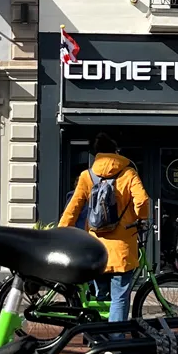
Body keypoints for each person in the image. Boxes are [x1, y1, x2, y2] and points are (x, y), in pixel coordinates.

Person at [58, 134, 150, 321]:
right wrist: (141, 219)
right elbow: (142, 200)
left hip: (95, 248)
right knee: (120, 297)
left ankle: (97, 335)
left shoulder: (87, 176)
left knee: (100, 296)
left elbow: (73, 208)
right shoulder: (128, 173)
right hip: (122, 247)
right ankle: (115, 340)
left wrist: (61, 232)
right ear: (116, 152)